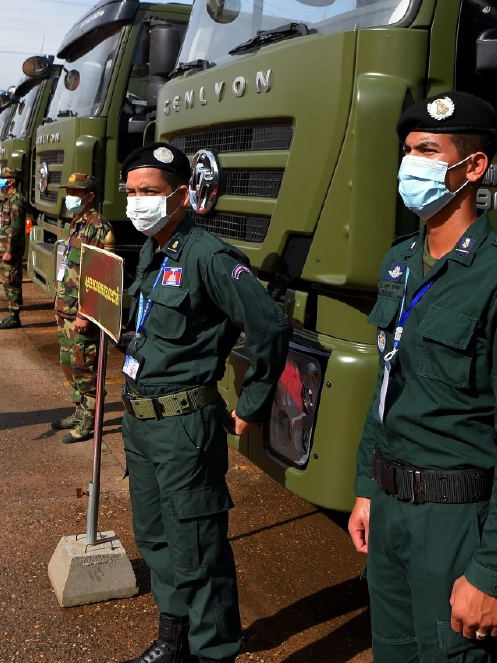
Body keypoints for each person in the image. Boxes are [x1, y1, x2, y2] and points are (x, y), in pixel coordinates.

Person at [347, 92, 497, 663]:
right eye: (408, 150)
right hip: (391, 511)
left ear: (474, 167)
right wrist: (368, 490)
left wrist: (491, 573)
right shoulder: (400, 260)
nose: (410, 163)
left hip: (454, 520)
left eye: (428, 150)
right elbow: (388, 388)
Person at [118, 142, 291, 663]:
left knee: (197, 547)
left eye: (149, 192)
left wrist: (253, 402)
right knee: (157, 540)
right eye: (131, 192)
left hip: (184, 426)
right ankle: (176, 639)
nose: (137, 202)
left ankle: (214, 651)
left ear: (180, 195)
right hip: (141, 422)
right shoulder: (153, 250)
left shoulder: (209, 256)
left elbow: (269, 326)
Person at [51, 172, 115, 443]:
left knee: (86, 368)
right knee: (69, 364)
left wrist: (85, 314)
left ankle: (89, 421)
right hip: (66, 308)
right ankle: (79, 411)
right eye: (69, 191)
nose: (70, 197)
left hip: (81, 313)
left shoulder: (98, 226)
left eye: (76, 193)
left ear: (89, 197)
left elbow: (101, 276)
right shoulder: (77, 222)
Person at [0, 167, 28, 330]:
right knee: (7, 280)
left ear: (12, 181)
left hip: (11, 250)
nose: (0, 180)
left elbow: (16, 228)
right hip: (5, 248)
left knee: (12, 281)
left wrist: (9, 250)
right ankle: (11, 313)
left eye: (3, 177)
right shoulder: (8, 199)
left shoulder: (16, 200)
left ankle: (14, 316)